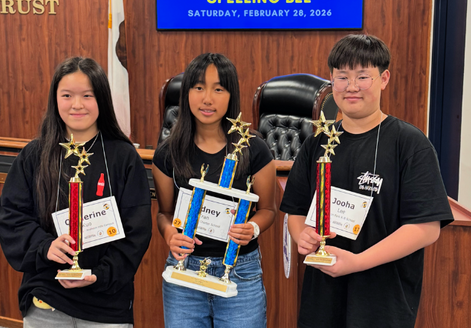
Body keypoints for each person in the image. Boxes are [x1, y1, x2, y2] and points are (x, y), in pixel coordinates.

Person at [280, 34, 453, 328]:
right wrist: (303, 236)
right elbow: (296, 211)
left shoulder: (409, 144)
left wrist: (358, 262)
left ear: (383, 78)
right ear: (331, 81)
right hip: (322, 298)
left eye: (363, 77)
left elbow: (426, 228)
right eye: (342, 77)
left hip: (382, 302)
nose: (351, 87)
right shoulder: (316, 144)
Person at [0, 57, 152, 327]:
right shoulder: (34, 155)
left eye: (87, 96)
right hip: (47, 297)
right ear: (55, 99)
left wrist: (100, 274)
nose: (77, 104)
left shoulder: (123, 157)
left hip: (107, 302)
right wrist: (45, 247)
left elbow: (136, 232)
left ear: (102, 100)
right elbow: (13, 217)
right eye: (67, 95)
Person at [152, 53, 276, 328]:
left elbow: (268, 210)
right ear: (186, 94)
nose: (207, 98)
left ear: (231, 96)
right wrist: (169, 233)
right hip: (183, 270)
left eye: (218, 89)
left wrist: (252, 228)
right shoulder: (167, 153)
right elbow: (164, 213)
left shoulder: (254, 148)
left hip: (239, 271)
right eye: (198, 87)